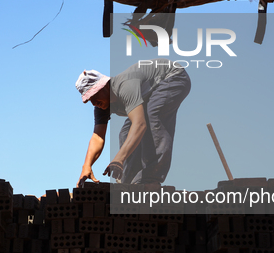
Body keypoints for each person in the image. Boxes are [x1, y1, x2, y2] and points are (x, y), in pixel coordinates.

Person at [75, 58, 190, 188]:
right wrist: (87, 166)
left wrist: (119, 159)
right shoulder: (101, 106)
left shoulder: (125, 86)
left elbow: (140, 125)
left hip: (173, 76)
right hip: (151, 92)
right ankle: (130, 181)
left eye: (94, 95)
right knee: (126, 133)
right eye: (89, 99)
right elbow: (98, 137)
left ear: (105, 85)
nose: (94, 102)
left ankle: (151, 178)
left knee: (153, 115)